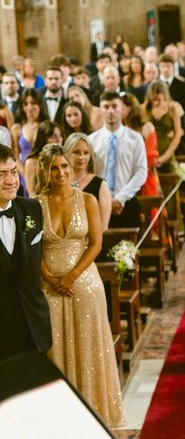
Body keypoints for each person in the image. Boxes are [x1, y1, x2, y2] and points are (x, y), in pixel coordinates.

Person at [35, 144, 123, 426]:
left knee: (89, 347)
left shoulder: (87, 200)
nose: (61, 172)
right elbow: (31, 247)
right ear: (44, 172)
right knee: (56, 348)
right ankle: (61, 419)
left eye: (64, 166)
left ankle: (95, 412)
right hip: (49, 287)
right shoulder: (35, 204)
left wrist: (71, 276)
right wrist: (49, 277)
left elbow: (96, 243)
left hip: (84, 284)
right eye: (54, 168)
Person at [0, 144, 52, 362]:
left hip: (33, 324)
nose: (11, 180)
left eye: (13, 171)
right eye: (1, 174)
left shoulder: (32, 209)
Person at [89, 91, 147, 228]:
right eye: (106, 107)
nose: (110, 111)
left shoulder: (135, 138)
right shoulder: (92, 141)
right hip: (99, 203)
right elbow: (89, 173)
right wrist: (106, 200)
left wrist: (120, 198)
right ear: (100, 110)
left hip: (127, 201)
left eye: (114, 106)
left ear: (121, 109)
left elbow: (141, 171)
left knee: (128, 248)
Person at [64, 133, 111, 230]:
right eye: (76, 152)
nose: (81, 157)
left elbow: (103, 226)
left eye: (86, 153)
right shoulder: (59, 181)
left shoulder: (100, 184)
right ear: (67, 154)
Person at [141, 80, 183, 173]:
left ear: (164, 95)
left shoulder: (172, 109)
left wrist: (165, 157)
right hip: (148, 152)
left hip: (167, 151)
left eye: (158, 99)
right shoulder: (143, 109)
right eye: (153, 99)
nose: (156, 102)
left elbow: (177, 134)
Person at [24, 121, 63, 197]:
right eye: (53, 136)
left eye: (60, 135)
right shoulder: (32, 162)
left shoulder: (63, 159)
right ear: (43, 138)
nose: (59, 140)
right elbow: (31, 192)